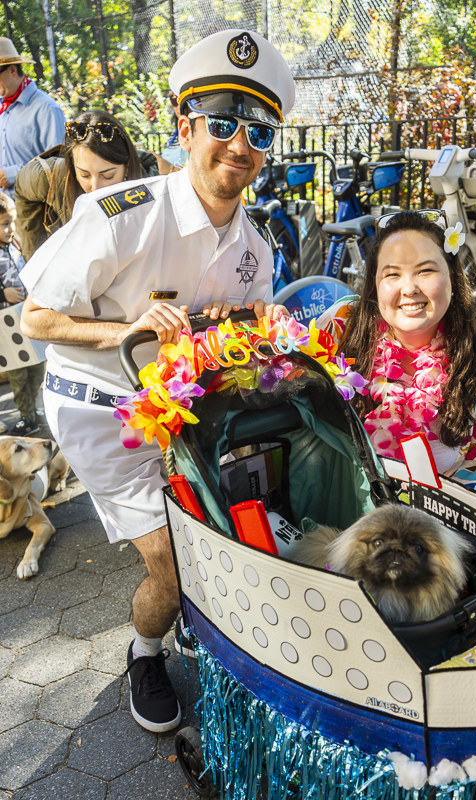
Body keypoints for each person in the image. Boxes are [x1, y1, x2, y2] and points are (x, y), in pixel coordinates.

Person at [20, 29, 295, 733]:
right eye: (224, 124)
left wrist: (259, 337)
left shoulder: (256, 247)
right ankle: (144, 651)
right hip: (102, 412)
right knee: (175, 567)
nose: (240, 145)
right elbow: (38, 319)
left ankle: (215, 632)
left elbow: (230, 344)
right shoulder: (122, 215)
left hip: (190, 412)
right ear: (187, 128)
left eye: (258, 130)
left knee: (246, 524)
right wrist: (132, 333)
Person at [320, 210, 476, 553]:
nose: (409, 288)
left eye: (426, 271)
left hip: (436, 539)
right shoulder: (341, 327)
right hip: (339, 521)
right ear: (374, 284)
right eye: (392, 274)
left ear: (452, 279)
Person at [15, 108, 159, 261]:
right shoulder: (48, 176)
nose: (95, 186)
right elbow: (22, 184)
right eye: (84, 175)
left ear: (127, 167)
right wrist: (37, 256)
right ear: (71, 164)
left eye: (108, 175)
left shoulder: (150, 187)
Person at [0, 191, 44, 435]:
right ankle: (27, 416)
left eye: (12, 223)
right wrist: (2, 294)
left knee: (37, 368)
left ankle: (33, 410)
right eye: (5, 224)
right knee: (18, 375)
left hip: (26, 317)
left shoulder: (15, 247)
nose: (11, 229)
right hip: (6, 326)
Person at [0, 38, 65, 195]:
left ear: (12, 70)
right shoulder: (2, 105)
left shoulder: (47, 109)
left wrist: (14, 174)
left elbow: (58, 164)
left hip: (34, 210)